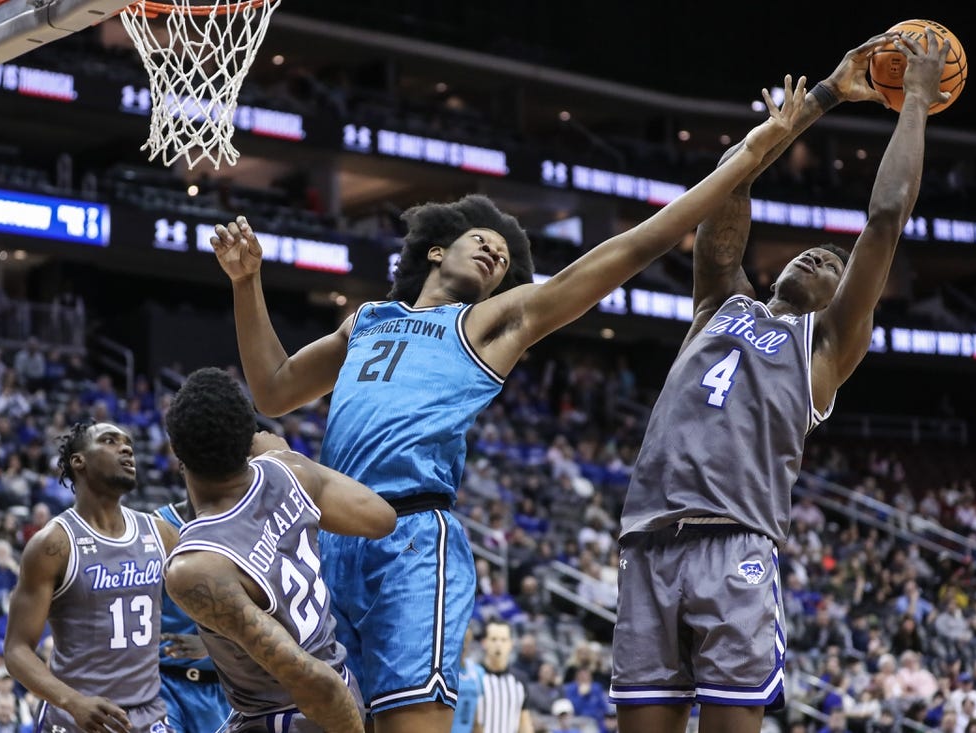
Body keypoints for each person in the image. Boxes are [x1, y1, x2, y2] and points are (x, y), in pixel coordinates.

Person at [210, 69, 807, 733]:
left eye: (506, 257)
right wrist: (246, 282)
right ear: (436, 248)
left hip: (413, 534)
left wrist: (750, 156)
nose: (497, 248)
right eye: (483, 238)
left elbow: (630, 247)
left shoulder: (489, 325)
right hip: (332, 538)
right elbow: (273, 387)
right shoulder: (368, 318)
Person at [609, 29, 949, 733]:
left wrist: (914, 99)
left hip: (735, 545)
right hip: (646, 541)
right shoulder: (719, 301)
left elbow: (884, 220)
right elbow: (726, 188)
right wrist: (820, 97)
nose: (821, 257)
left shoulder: (825, 345)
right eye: (814, 252)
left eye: (833, 262)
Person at [161, 367, 397, 733]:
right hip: (340, 685)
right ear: (248, 435)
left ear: (174, 448)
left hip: (297, 713)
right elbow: (382, 518)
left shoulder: (196, 566)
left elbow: (310, 681)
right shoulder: (289, 471)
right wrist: (293, 461)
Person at [4, 421, 180, 733]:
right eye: (110, 441)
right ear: (78, 461)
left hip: (149, 714)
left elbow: (208, 603)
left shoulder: (160, 533)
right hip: (77, 715)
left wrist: (206, 643)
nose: (126, 448)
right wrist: (71, 702)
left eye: (128, 443)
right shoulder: (53, 544)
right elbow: (17, 650)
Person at [153, 498, 232, 733]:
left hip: (221, 689)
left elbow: (269, 614)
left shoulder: (245, 527)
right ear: (182, 465)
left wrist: (215, 644)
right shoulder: (156, 527)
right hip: (162, 684)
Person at [477, 619, 532, 733]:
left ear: (510, 644)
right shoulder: (473, 676)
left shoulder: (520, 680)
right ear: (484, 643)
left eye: (503, 640)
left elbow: (524, 722)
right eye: (493, 639)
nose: (498, 644)